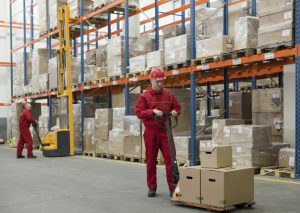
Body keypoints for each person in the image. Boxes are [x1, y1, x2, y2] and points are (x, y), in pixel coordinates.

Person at [136, 67, 181, 197]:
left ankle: (174, 188)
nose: (160, 84)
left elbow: (177, 107)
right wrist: (152, 111)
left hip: (166, 131)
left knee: (171, 159)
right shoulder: (144, 96)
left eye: (162, 81)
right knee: (151, 160)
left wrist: (175, 112)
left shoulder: (168, 95)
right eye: (157, 81)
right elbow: (139, 113)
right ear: (151, 80)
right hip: (151, 132)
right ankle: (152, 187)